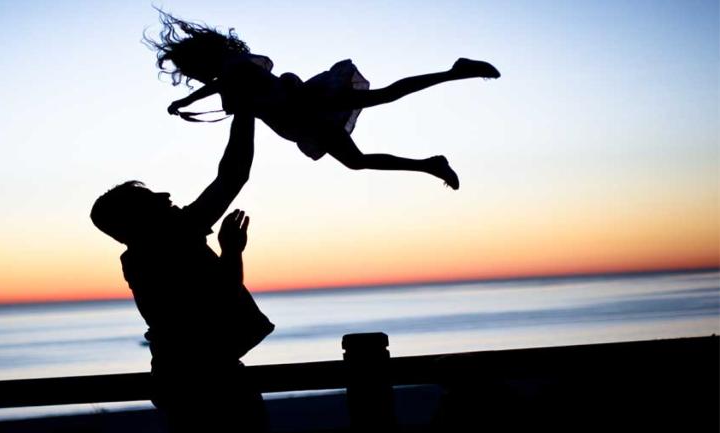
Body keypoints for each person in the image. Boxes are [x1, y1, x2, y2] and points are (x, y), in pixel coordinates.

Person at [144, 11, 502, 190]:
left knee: (383, 100)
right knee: (358, 159)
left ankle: (454, 74)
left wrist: (186, 101)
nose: (195, 76)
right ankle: (430, 163)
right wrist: (188, 102)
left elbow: (233, 84)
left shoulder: (233, 69)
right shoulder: (231, 72)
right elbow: (238, 87)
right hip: (305, 119)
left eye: (192, 69)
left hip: (310, 107)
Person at [90, 114, 274, 432]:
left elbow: (232, 176)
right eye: (152, 199)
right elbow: (233, 176)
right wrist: (232, 250)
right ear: (138, 219)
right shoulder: (170, 239)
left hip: (179, 377)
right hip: (208, 380)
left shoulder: (144, 254)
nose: (165, 196)